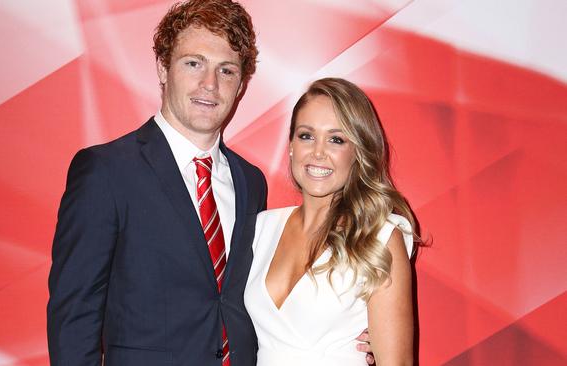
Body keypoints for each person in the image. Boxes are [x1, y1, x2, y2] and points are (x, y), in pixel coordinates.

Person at [46, 1, 266, 365]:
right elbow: (74, 316)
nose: (209, 85)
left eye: (226, 70)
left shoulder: (251, 182)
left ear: (241, 84)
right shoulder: (105, 172)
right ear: (163, 68)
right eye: (193, 63)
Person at [245, 78, 416, 366]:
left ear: (358, 152)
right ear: (290, 145)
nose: (318, 153)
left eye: (336, 139)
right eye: (306, 136)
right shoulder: (262, 228)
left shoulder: (380, 238)